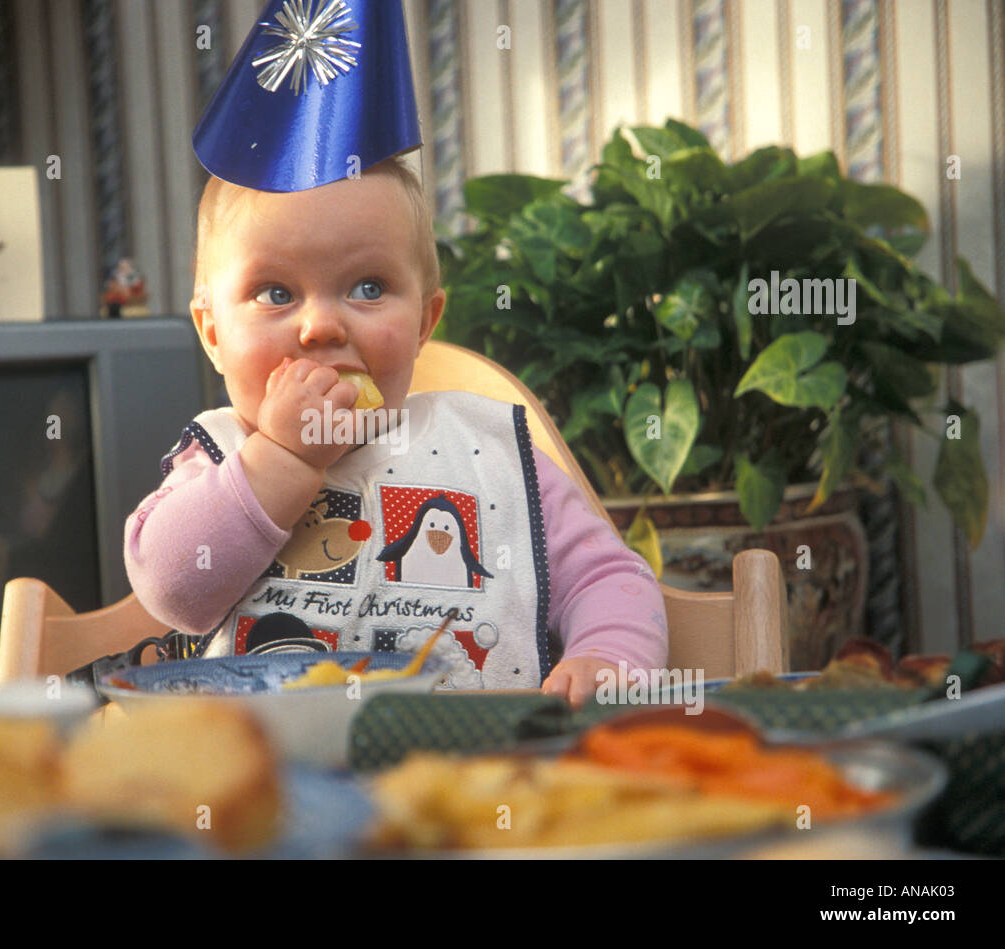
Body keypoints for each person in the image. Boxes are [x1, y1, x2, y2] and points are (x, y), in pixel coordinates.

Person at [122, 0, 666, 703]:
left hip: (487, 783)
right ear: (212, 330)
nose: (320, 326)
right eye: (276, 293)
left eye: (368, 286)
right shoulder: (219, 459)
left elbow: (608, 577)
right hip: (278, 794)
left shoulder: (495, 451)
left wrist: (609, 652)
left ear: (424, 321)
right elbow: (173, 588)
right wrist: (281, 460)